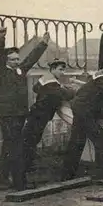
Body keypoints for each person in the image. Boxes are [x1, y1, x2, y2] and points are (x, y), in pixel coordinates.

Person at [0, 27, 50, 189]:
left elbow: (31, 59)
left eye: (17, 59)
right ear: (6, 61)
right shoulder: (1, 72)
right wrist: (1, 39)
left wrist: (43, 44)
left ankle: (1, 175)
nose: (16, 62)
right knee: (15, 145)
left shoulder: (20, 70)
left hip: (19, 114)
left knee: (9, 144)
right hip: (7, 115)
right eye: (13, 60)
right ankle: (19, 182)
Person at [19, 59, 77, 190]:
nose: (63, 72)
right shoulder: (52, 84)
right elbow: (66, 95)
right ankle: (21, 175)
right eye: (60, 69)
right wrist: (72, 90)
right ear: (53, 69)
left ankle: (25, 170)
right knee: (29, 143)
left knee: (30, 141)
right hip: (40, 116)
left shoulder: (45, 79)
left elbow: (35, 88)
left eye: (64, 69)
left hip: (36, 114)